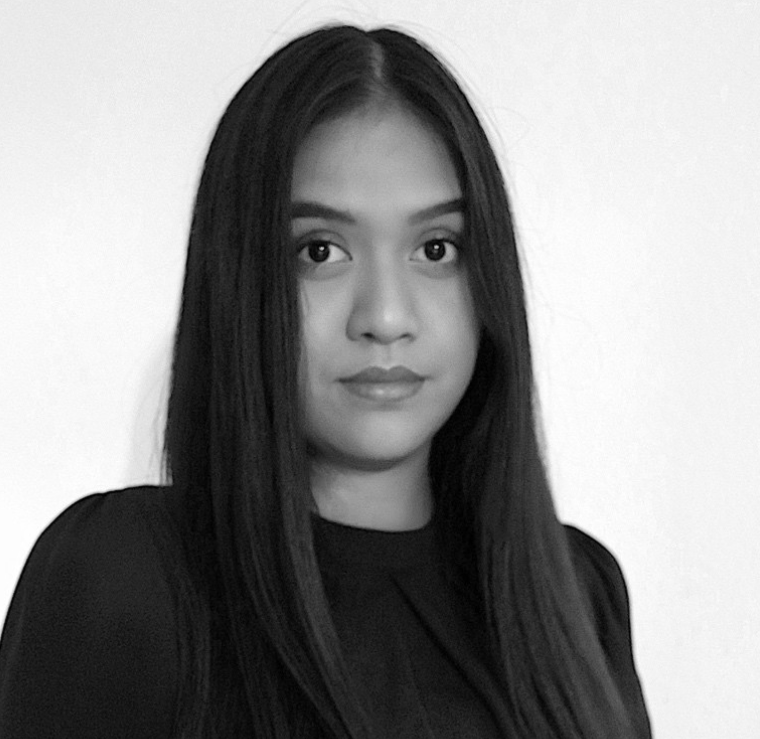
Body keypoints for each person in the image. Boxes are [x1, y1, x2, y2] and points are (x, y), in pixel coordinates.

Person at [0, 22, 652, 739]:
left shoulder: (577, 594)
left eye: (437, 248)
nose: (386, 317)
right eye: (320, 251)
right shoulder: (126, 576)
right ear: (243, 279)